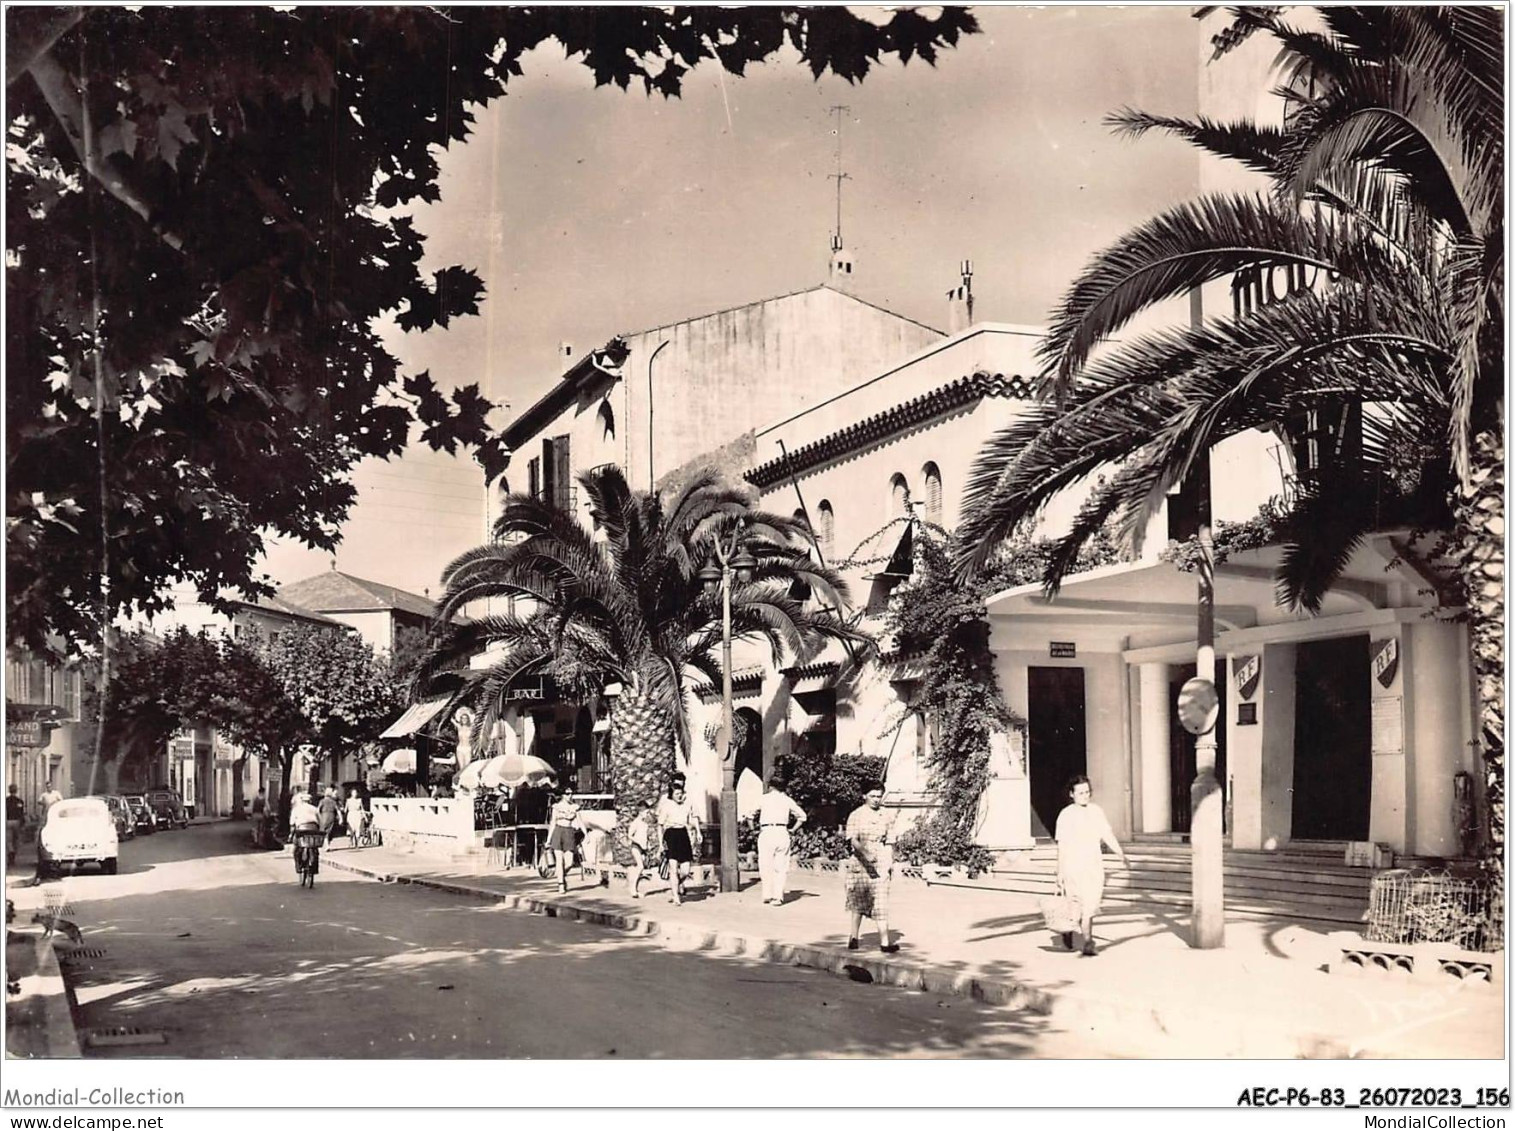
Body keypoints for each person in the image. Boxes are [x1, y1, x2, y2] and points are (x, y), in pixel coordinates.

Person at [1054, 774, 1128, 957]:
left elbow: (1107, 834)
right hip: (1073, 866)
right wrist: (1059, 872)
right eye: (1080, 793)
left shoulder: (1096, 811)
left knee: (1091, 904)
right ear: (1072, 794)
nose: (1085, 796)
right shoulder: (1066, 815)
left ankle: (1085, 939)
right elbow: (1062, 846)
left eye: (1087, 792)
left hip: (1093, 866)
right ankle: (1079, 937)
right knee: (1076, 905)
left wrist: (1120, 853)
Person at [844, 783, 898, 952]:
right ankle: (854, 937)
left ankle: (884, 943)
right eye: (872, 796)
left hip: (880, 860)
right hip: (860, 862)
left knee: (881, 901)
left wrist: (888, 862)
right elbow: (852, 839)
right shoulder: (856, 815)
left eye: (879, 796)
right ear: (864, 796)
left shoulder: (886, 816)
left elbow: (890, 840)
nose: (876, 799)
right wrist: (865, 852)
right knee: (858, 901)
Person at [757, 773, 806, 906]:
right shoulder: (787, 800)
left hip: (766, 831)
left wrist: (753, 828)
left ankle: (767, 894)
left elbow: (750, 814)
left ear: (770, 786)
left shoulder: (764, 799)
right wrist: (792, 829)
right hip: (782, 831)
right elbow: (802, 816)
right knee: (781, 866)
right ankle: (777, 897)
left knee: (765, 864)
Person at [655, 776, 702, 905]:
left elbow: (694, 817)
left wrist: (698, 832)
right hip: (671, 834)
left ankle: (675, 884)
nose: (679, 796)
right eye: (677, 794)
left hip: (683, 834)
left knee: (685, 870)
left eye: (681, 793)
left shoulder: (687, 804)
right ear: (672, 794)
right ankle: (676, 896)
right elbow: (659, 825)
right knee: (673, 867)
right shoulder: (666, 805)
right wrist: (660, 844)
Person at [546, 784, 582, 893]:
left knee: (569, 862)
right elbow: (552, 823)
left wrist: (586, 834)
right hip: (558, 831)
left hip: (569, 832)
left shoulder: (574, 807)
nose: (570, 796)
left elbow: (580, 821)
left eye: (571, 793)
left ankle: (561, 875)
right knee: (559, 860)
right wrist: (548, 839)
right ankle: (561, 883)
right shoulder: (556, 807)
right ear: (562, 795)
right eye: (567, 794)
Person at [624, 807, 655, 899]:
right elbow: (629, 835)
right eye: (646, 812)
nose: (647, 814)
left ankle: (635, 890)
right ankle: (633, 889)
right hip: (636, 846)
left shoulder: (644, 823)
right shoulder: (636, 822)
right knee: (640, 866)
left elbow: (645, 836)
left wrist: (647, 844)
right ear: (641, 812)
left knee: (640, 868)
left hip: (643, 847)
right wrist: (639, 842)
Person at [6, 784, 25, 867]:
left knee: (9, 840)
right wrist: (23, 823)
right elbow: (21, 813)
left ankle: (10, 854)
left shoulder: (6, 801)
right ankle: (13, 856)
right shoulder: (20, 801)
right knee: (16, 840)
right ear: (16, 790)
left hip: (8, 821)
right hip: (17, 822)